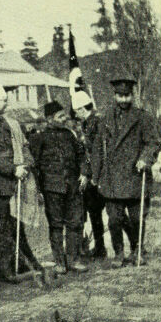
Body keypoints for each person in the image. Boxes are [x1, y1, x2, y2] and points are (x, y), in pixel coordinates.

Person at [91, 71, 161, 266]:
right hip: (112, 178)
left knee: (138, 219)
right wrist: (95, 176)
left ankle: (138, 250)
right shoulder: (105, 117)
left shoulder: (143, 117)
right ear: (114, 96)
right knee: (114, 220)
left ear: (132, 95)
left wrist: (145, 159)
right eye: (120, 96)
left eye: (127, 95)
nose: (124, 99)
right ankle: (120, 252)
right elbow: (97, 148)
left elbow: (153, 143)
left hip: (135, 175)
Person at [0, 82, 41, 283]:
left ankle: (13, 266)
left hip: (9, 183)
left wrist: (21, 166)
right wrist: (13, 169)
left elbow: (15, 149)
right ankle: (4, 270)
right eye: (2, 100)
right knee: (1, 228)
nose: (5, 103)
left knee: (11, 226)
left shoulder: (2, 122)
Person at [29, 100, 90, 274]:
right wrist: (39, 190)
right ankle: (59, 262)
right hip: (52, 188)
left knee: (75, 223)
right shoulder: (39, 137)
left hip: (73, 186)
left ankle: (73, 260)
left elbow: (82, 156)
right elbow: (34, 164)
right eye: (60, 116)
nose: (64, 118)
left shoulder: (70, 135)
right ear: (49, 119)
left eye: (64, 115)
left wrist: (84, 173)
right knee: (56, 225)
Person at [70, 91, 108, 259]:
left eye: (76, 111)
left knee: (108, 213)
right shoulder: (89, 122)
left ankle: (103, 249)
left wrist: (90, 174)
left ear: (81, 109)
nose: (76, 115)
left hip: (98, 175)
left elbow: (95, 152)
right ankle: (100, 248)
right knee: (95, 213)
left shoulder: (95, 123)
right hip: (94, 174)